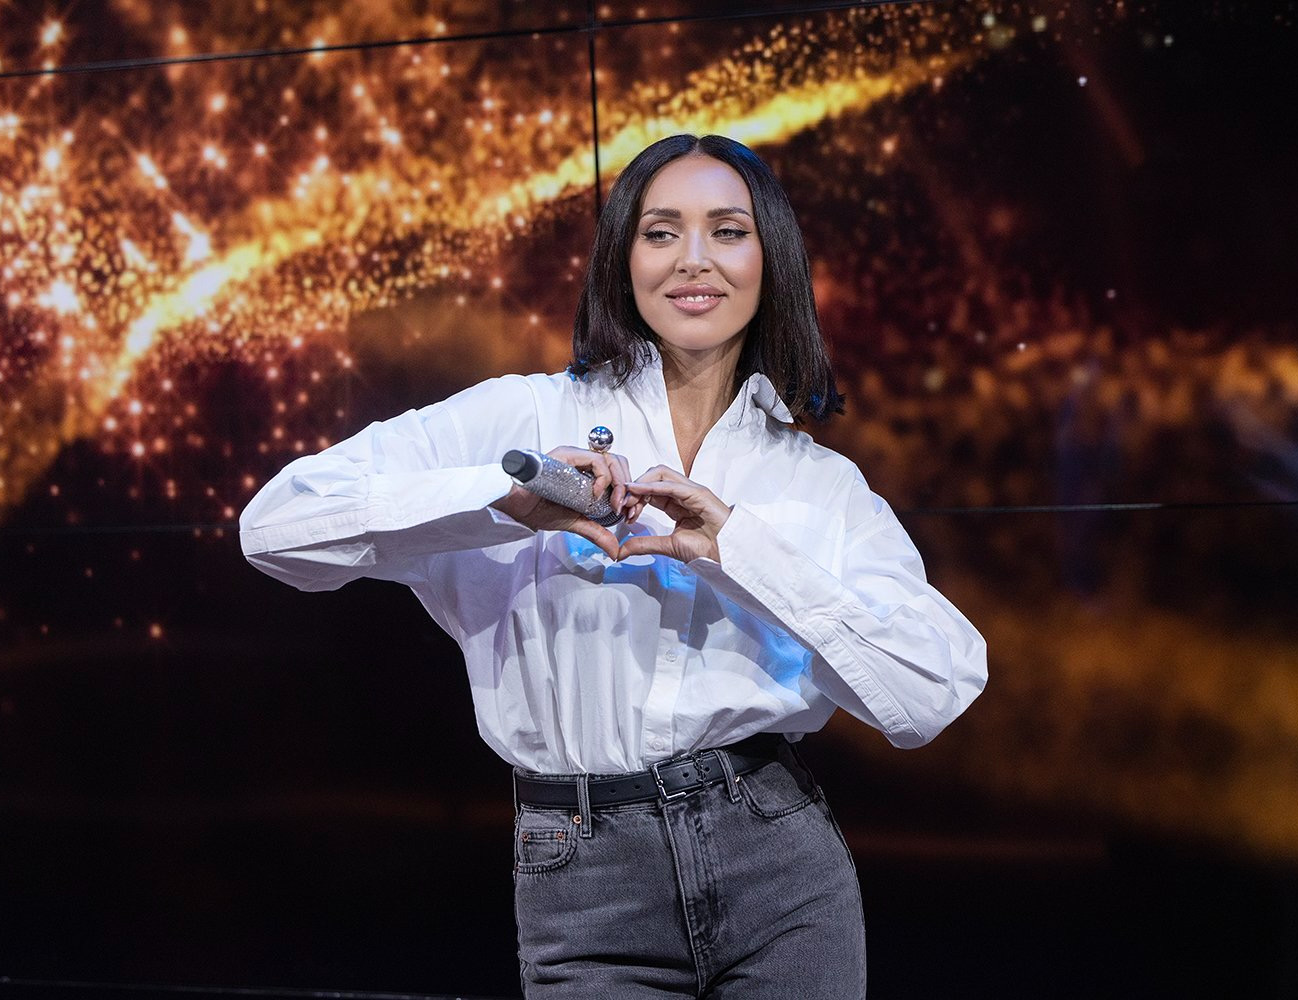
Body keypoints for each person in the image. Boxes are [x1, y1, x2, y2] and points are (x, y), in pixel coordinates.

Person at [240, 133, 987, 998]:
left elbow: (932, 693)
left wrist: (740, 552)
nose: (693, 259)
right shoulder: (524, 418)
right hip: (583, 876)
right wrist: (502, 498)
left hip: (780, 867)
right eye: (661, 232)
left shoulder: (817, 481)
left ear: (771, 259)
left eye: (728, 231)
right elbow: (276, 529)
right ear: (622, 261)